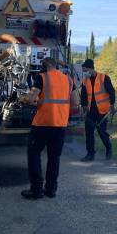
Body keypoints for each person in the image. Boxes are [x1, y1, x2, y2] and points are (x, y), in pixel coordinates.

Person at [19, 57, 79, 200]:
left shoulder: (42, 77)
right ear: (56, 66)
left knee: (34, 154)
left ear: (44, 66)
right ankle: (51, 190)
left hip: (42, 124)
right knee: (54, 157)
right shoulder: (68, 79)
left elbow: (31, 98)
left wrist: (24, 99)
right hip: (60, 125)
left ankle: (36, 189)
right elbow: (75, 102)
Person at [80, 58, 116, 161]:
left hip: (102, 110)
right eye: (83, 71)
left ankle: (108, 148)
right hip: (90, 110)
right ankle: (90, 154)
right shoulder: (85, 80)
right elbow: (83, 95)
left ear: (91, 69)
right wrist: (84, 107)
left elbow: (111, 92)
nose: (84, 73)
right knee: (89, 132)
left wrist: (112, 104)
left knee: (102, 132)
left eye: (85, 71)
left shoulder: (104, 78)